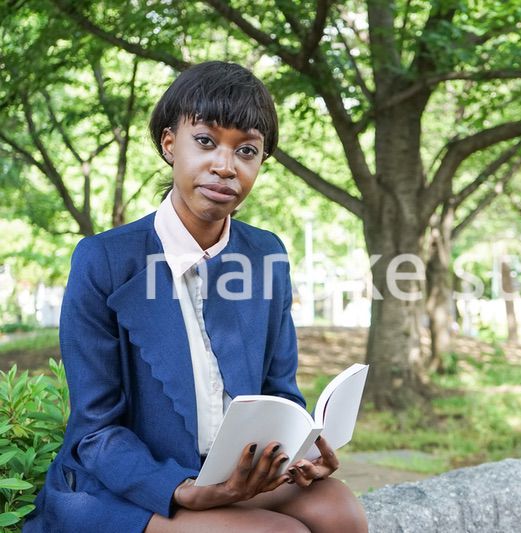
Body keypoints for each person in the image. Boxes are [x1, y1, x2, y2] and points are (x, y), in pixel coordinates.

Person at [24, 61, 368, 533]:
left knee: (339, 511)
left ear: (261, 161)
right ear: (170, 144)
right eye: (205, 141)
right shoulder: (103, 259)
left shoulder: (265, 254)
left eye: (246, 150)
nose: (225, 166)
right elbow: (96, 432)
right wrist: (185, 488)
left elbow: (280, 391)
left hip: (233, 474)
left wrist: (299, 451)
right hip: (131, 486)